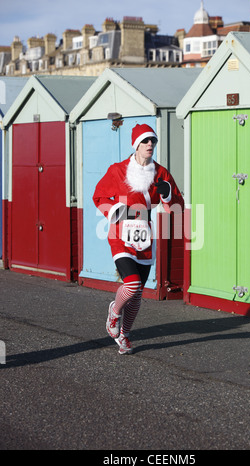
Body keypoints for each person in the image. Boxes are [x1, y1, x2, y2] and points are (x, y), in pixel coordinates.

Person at [93, 123, 184, 354]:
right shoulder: (118, 170)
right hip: (120, 233)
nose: (150, 145)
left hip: (144, 234)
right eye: (145, 141)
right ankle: (114, 314)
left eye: (153, 140)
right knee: (131, 284)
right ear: (136, 144)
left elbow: (177, 208)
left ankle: (125, 335)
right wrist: (115, 210)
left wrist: (167, 194)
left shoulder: (160, 173)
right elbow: (99, 196)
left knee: (138, 294)